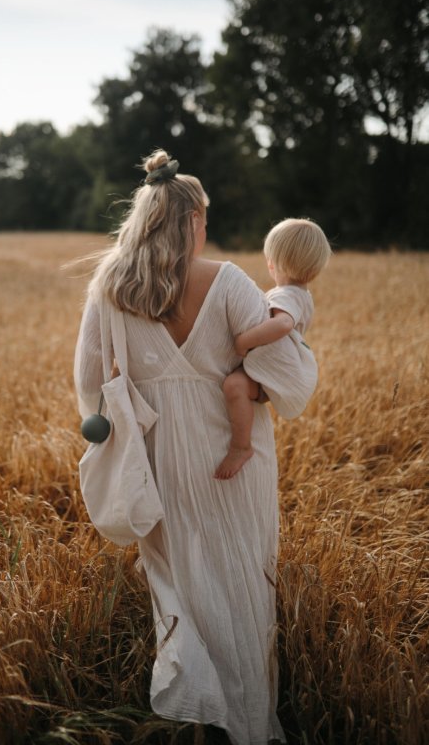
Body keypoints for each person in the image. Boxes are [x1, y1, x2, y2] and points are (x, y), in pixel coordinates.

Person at [74, 149, 314, 745]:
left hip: (154, 457)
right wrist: (253, 385)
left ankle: (200, 709)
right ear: (190, 221)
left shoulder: (110, 284)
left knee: (178, 582)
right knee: (239, 581)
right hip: (233, 456)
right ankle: (248, 725)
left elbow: (87, 380)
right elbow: (292, 379)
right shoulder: (229, 280)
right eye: (203, 219)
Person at [215, 218, 331, 480]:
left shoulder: (285, 294)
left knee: (234, 386)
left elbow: (283, 323)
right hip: (277, 369)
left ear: (275, 264)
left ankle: (240, 447)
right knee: (236, 386)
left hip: (271, 373)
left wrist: (245, 341)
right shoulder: (302, 294)